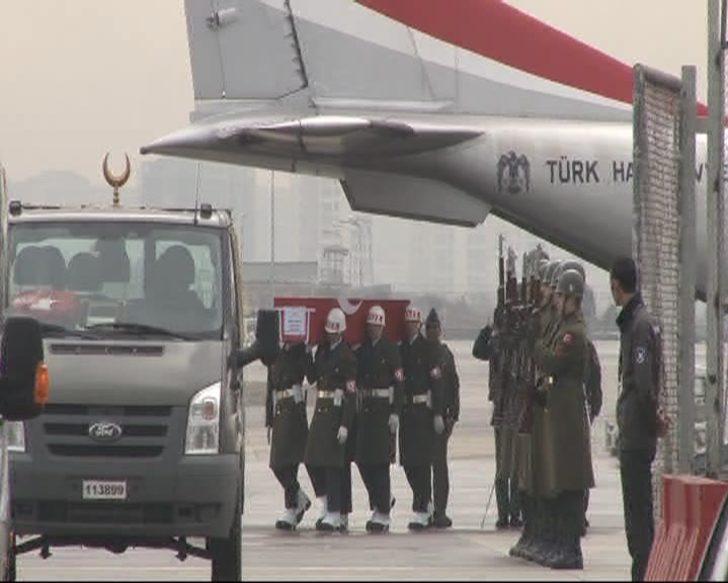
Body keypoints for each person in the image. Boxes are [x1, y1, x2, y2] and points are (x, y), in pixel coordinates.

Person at [534, 269, 595, 570]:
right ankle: (562, 545)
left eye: (560, 295)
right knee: (561, 482)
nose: (556, 299)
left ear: (572, 297)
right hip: (560, 410)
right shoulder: (564, 327)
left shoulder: (574, 333)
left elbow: (553, 361)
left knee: (570, 483)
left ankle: (571, 548)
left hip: (569, 414)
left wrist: (535, 345)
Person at [610, 257, 663, 581]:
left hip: (637, 435)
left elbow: (643, 385)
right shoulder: (638, 322)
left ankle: (643, 574)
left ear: (616, 285)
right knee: (639, 512)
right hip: (638, 430)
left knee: (638, 515)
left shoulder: (639, 325)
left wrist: (651, 420)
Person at [304, 308, 357, 532]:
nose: (331, 335)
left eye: (334, 332)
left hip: (336, 415)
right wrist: (308, 354)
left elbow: (351, 393)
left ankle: (336, 512)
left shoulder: (347, 356)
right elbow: (314, 377)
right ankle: (326, 502)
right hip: (321, 411)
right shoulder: (322, 352)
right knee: (311, 460)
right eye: (328, 332)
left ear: (341, 331)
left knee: (334, 465)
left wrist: (345, 424)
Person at [355, 305, 404, 533]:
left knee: (380, 463)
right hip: (366, 410)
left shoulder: (391, 350)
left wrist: (395, 411)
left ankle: (382, 512)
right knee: (363, 460)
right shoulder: (363, 350)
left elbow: (399, 382)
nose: (373, 329)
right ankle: (380, 499)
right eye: (370, 326)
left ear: (382, 326)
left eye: (377, 326)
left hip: (383, 411)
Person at [400, 305, 445, 530]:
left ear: (419, 325)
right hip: (406, 411)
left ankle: (421, 507)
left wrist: (438, 413)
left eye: (413, 323)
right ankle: (423, 502)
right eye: (407, 323)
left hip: (422, 412)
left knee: (421, 463)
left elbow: (436, 382)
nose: (410, 327)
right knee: (407, 463)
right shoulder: (402, 349)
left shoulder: (428, 350)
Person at [265, 341, 314, 530]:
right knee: (277, 463)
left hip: (294, 408)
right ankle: (298, 498)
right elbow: (270, 387)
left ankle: (292, 508)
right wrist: (269, 420)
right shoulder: (274, 350)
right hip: (279, 408)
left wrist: (307, 351)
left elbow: (311, 376)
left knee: (288, 462)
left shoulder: (299, 349)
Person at [425, 308, 460, 529]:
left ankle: (440, 509)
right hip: (423, 417)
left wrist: (452, 416)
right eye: (429, 328)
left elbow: (453, 387)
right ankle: (425, 507)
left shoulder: (445, 355)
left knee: (439, 466)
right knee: (421, 467)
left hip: (442, 418)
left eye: (435, 328)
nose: (432, 332)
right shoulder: (421, 352)